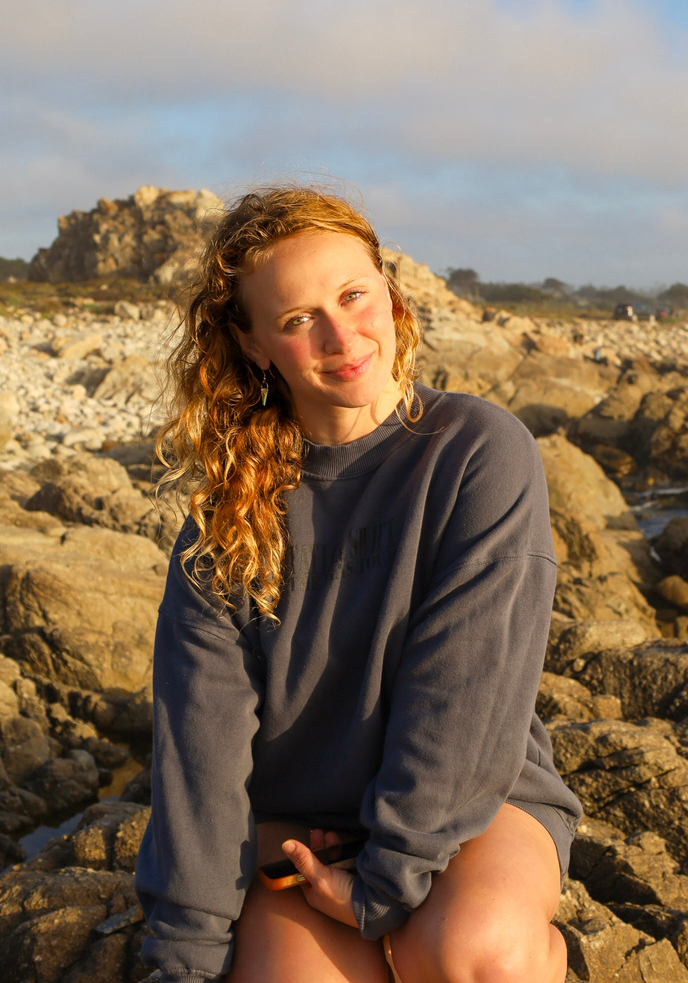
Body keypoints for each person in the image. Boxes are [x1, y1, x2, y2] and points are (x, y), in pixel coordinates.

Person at [134, 186, 582, 983]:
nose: (341, 338)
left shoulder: (476, 452)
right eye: (297, 319)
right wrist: (185, 958)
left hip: (468, 811)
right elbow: (199, 754)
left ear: (390, 292)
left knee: (473, 953)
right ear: (254, 344)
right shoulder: (223, 525)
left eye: (353, 296)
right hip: (301, 829)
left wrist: (383, 886)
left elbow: (464, 693)